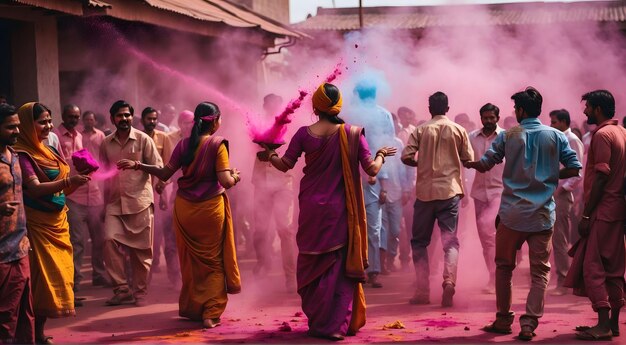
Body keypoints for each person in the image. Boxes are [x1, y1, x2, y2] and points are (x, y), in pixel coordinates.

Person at [261, 83, 396, 340]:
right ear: (339, 105)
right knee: (339, 265)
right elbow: (372, 170)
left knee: (313, 262)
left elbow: (284, 164)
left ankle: (319, 321)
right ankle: (336, 325)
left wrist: (269, 155)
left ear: (315, 107)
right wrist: (380, 154)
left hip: (311, 207)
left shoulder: (303, 133)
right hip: (340, 210)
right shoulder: (353, 133)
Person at [464, 87, 581, 340]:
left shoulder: (509, 136)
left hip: (511, 215)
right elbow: (574, 168)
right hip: (542, 215)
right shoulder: (556, 136)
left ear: (521, 110)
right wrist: (549, 175)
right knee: (540, 272)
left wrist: (471, 163)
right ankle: (529, 323)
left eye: (516, 108)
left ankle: (503, 320)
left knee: (504, 267)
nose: (514, 112)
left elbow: (487, 162)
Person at [117, 102, 242, 329]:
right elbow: (225, 181)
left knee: (192, 262)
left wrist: (137, 165)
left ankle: (195, 307)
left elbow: (165, 172)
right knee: (213, 262)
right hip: (210, 209)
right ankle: (211, 312)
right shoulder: (217, 145)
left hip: (184, 208)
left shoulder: (184, 145)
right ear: (214, 120)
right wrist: (235, 176)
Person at [15, 102, 91, 344]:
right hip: (36, 225)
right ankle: (32, 334)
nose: (48, 126)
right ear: (28, 124)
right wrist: (69, 182)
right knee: (40, 281)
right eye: (42, 122)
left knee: (58, 276)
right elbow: (35, 190)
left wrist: (77, 183)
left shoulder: (48, 149)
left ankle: (38, 332)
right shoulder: (22, 153)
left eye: (49, 121)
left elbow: (60, 193)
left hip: (58, 222)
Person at [401, 91, 474, 308]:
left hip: (424, 192)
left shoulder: (421, 130)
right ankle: (449, 281)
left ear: (430, 109)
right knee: (449, 241)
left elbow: (406, 156)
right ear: (447, 109)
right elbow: (468, 159)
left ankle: (422, 290)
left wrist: (421, 164)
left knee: (420, 242)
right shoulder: (459, 130)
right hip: (449, 192)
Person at [565, 90, 626, 341]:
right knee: (614, 268)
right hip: (617, 210)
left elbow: (601, 175)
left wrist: (587, 215)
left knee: (593, 267)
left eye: (588, 107)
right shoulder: (622, 132)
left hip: (602, 211)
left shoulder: (602, 135)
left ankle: (601, 324)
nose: (585, 111)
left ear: (598, 108)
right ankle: (612, 324)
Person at [99, 100, 162, 307]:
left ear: (131, 117)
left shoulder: (144, 139)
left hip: (140, 203)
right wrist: (103, 204)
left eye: (127, 115)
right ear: (112, 118)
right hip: (115, 204)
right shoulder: (106, 143)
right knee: (109, 241)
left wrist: (137, 165)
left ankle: (140, 293)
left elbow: (160, 169)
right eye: (119, 115)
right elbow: (104, 174)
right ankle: (122, 289)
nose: (123, 119)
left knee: (142, 251)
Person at [343, 79, 396, 288]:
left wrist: (383, 182)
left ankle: (372, 270)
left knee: (372, 227)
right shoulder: (348, 114)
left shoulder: (383, 115)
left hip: (373, 177)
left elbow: (387, 147)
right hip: (353, 176)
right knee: (359, 226)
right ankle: (358, 269)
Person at [251, 94, 297, 290]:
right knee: (260, 230)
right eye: (269, 105)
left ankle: (290, 276)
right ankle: (263, 262)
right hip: (261, 183)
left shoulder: (291, 125)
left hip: (283, 183)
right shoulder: (257, 124)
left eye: (276, 105)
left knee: (284, 230)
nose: (273, 109)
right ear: (264, 106)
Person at [0, 103, 34, 344]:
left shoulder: (16, 156)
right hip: (1, 252)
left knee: (25, 314)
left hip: (20, 246)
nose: (16, 131)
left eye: (18, 127)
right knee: (4, 316)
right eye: (10, 127)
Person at [140, 107, 180, 287]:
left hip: (162, 193)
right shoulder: (137, 138)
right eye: (149, 118)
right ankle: (144, 281)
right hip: (142, 194)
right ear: (142, 120)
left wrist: (163, 187)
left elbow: (169, 166)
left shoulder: (163, 137)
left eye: (155, 118)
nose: (152, 121)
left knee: (170, 239)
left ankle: (174, 278)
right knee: (149, 240)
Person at [468, 103, 505, 294]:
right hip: (479, 194)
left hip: (500, 192)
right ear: (481, 118)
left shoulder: (506, 137)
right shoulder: (471, 137)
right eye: (485, 118)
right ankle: (493, 275)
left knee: (492, 234)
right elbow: (464, 164)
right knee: (485, 238)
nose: (489, 121)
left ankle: (497, 277)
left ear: (498, 118)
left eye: (492, 118)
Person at [548, 109, 584, 296]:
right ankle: (560, 278)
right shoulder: (558, 139)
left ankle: (563, 281)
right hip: (553, 193)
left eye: (554, 122)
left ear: (564, 122)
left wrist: (561, 189)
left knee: (560, 239)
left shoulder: (572, 140)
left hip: (561, 195)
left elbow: (578, 172)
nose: (552, 125)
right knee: (553, 238)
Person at [79, 111, 108, 287]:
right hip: (80, 190)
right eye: (87, 119)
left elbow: (104, 159)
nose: (89, 122)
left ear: (95, 120)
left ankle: (98, 274)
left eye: (92, 119)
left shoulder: (101, 135)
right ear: (83, 121)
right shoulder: (78, 136)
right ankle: (77, 279)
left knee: (99, 238)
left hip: (97, 188)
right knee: (79, 240)